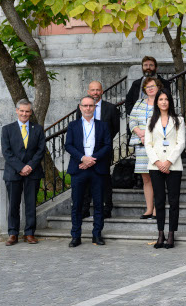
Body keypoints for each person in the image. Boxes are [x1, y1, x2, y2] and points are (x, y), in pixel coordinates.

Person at [65, 95, 112, 248]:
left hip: (97, 169)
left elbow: (107, 145)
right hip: (79, 169)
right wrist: (83, 158)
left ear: (94, 107)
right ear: (80, 107)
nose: (88, 108)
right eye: (85, 106)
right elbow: (69, 145)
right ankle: (75, 236)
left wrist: (92, 159)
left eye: (91, 106)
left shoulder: (103, 125)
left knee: (98, 204)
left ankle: (97, 234)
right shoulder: (73, 125)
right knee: (77, 204)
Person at [1, 99, 46, 246]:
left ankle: (29, 233)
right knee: (13, 204)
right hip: (13, 173)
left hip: (32, 173)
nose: (24, 113)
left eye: (27, 111)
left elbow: (40, 151)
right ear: (17, 111)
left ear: (31, 112)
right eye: (22, 110)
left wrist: (30, 166)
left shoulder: (38, 129)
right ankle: (13, 233)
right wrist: (21, 167)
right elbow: (7, 152)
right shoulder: (7, 129)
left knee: (31, 203)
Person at [145, 89, 185, 249]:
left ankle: (171, 234)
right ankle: (160, 233)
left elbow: (181, 143)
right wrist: (158, 162)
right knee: (159, 201)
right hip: (155, 166)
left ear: (170, 102)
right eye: (160, 99)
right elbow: (148, 144)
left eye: (166, 99)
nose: (163, 102)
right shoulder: (150, 121)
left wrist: (168, 161)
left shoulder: (178, 120)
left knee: (174, 201)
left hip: (173, 166)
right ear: (157, 102)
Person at [75, 81, 120, 219]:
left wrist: (102, 143)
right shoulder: (82, 108)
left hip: (104, 151)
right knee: (86, 179)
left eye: (98, 90)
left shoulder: (111, 108)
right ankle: (85, 208)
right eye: (92, 90)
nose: (95, 92)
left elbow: (115, 128)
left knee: (104, 179)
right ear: (89, 91)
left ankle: (107, 208)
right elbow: (79, 127)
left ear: (102, 91)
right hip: (86, 152)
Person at [129, 77, 161, 219]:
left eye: (153, 86)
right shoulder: (139, 103)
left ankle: (157, 209)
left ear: (158, 87)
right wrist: (138, 131)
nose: (150, 89)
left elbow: (165, 122)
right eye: (147, 87)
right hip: (141, 146)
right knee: (146, 178)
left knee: (157, 178)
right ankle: (149, 208)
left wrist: (148, 135)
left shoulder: (163, 102)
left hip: (157, 146)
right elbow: (132, 120)